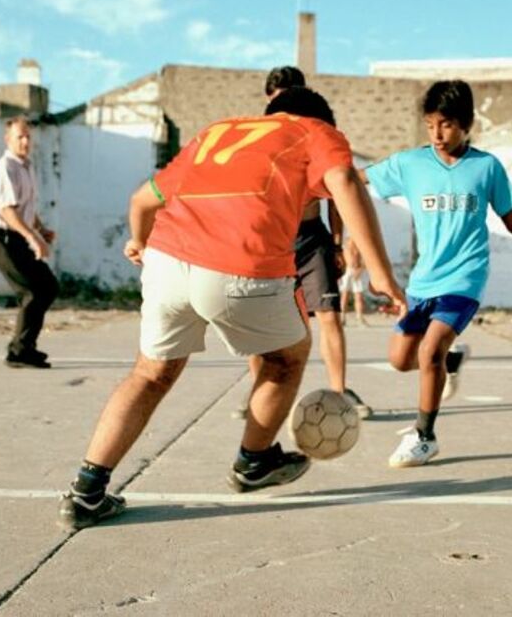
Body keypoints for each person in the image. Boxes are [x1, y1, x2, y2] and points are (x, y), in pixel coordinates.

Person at [58, 87, 405, 529]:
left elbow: (142, 200)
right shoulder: (314, 131)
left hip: (166, 259)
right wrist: (380, 273)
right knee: (286, 359)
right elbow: (345, 181)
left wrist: (140, 242)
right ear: (320, 119)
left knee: (149, 374)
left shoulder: (218, 132)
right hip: (241, 263)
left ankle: (86, 493)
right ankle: (254, 460)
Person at [361, 80, 512, 467]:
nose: (437, 134)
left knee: (429, 351)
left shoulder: (486, 167)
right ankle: (449, 362)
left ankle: (424, 436)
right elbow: (351, 180)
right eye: (430, 124)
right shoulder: (409, 164)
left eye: (447, 124)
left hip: (465, 278)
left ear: (467, 124)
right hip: (423, 281)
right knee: (401, 360)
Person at [232, 66, 371, 418]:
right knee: (260, 322)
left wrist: (337, 244)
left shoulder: (319, 135)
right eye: (279, 97)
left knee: (329, 316)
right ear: (269, 100)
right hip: (272, 241)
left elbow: (337, 195)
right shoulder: (258, 140)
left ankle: (339, 392)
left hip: (312, 239)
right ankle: (258, 393)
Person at [0, 116, 58, 369]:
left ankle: (24, 347)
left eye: (28, 137)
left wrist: (41, 229)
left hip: (15, 235)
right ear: (7, 139)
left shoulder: (26, 167)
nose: (25, 142)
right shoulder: (5, 168)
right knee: (32, 291)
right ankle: (19, 352)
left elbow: (25, 208)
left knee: (48, 286)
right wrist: (32, 238)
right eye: (19, 137)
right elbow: (7, 211)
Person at [338, 236, 369, 326]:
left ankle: (359, 317)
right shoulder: (345, 245)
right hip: (347, 271)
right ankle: (342, 317)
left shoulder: (361, 244)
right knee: (344, 295)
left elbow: (365, 259)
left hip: (358, 270)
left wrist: (360, 270)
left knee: (358, 296)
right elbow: (341, 259)